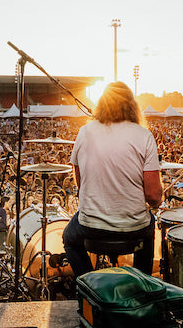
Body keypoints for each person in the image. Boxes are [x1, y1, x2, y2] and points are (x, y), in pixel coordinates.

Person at [62, 82, 162, 278]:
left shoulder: (85, 132)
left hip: (91, 226)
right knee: (149, 231)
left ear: (101, 104)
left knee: (68, 239)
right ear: (132, 105)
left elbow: (81, 184)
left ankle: (89, 286)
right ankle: (142, 289)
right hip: (134, 228)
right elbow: (153, 196)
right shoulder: (144, 136)